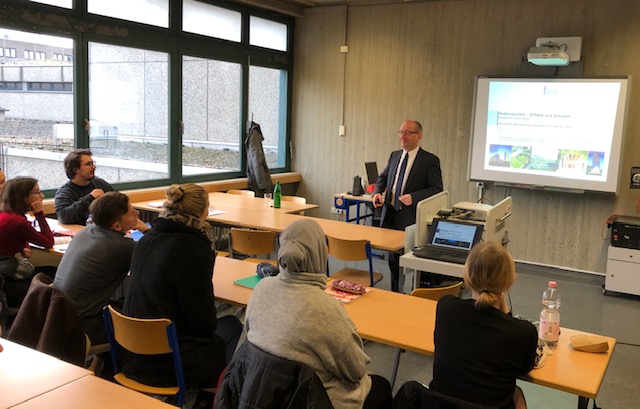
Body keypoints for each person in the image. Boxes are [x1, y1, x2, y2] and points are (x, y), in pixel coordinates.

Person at [245, 218, 393, 409]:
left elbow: (250, 335)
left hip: (263, 396)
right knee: (381, 386)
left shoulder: (261, 288)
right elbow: (356, 369)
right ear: (319, 254)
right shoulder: (325, 308)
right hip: (312, 400)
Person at [123, 183, 242, 409]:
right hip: (167, 359)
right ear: (203, 211)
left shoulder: (147, 239)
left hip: (131, 351)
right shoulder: (193, 248)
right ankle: (207, 399)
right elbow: (203, 322)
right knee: (232, 326)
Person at [430, 242, 537, 409]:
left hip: (442, 405)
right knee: (517, 393)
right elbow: (525, 367)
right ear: (509, 280)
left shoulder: (446, 307)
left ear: (467, 274)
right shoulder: (523, 332)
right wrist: (505, 314)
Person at [53, 192, 150, 345]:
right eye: (132, 213)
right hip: (82, 326)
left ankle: (102, 360)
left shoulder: (86, 231)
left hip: (58, 316)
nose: (137, 214)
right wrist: (146, 230)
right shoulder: (122, 246)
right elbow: (156, 251)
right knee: (147, 327)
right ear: (116, 226)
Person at [373, 120, 443, 292]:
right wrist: (377, 192)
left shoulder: (429, 160)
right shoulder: (395, 155)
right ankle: (396, 292)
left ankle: (412, 293)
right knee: (393, 260)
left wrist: (414, 197)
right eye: (401, 132)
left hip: (410, 217)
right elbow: (383, 177)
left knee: (409, 260)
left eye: (407, 133)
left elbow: (436, 189)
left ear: (419, 136)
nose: (402, 136)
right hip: (391, 214)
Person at [0, 177, 54, 309]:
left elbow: (16, 235)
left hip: (4, 266)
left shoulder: (7, 214)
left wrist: (24, 245)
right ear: (23, 197)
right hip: (6, 272)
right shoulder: (18, 222)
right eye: (37, 192)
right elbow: (48, 242)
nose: (41, 196)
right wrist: (39, 214)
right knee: (52, 273)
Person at [55, 149, 114, 225]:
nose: (94, 167)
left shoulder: (99, 183)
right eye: (89, 164)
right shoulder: (65, 192)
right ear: (75, 169)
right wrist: (90, 197)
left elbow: (120, 201)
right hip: (81, 230)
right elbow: (64, 216)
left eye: (93, 163)